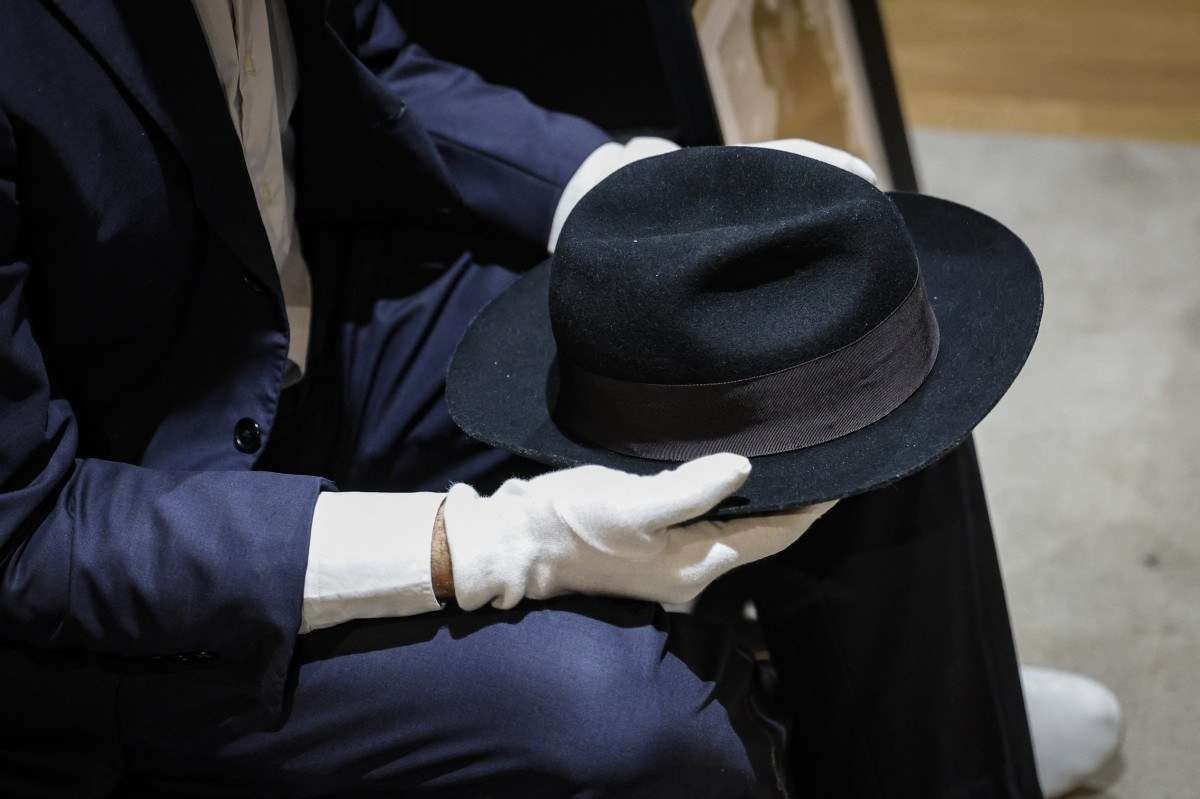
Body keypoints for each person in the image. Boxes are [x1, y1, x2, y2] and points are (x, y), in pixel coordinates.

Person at [0, 2, 1114, 796]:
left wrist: (627, 188)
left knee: (829, 351)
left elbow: (373, 63)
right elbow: (30, 532)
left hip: (313, 334)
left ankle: (931, 745)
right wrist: (492, 546)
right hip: (110, 555)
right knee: (626, 718)